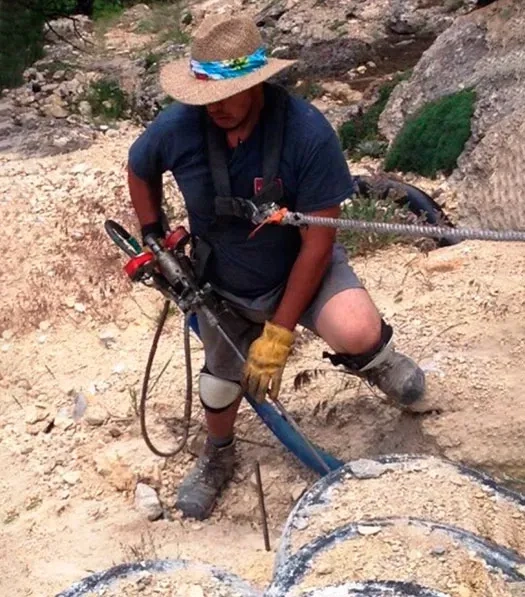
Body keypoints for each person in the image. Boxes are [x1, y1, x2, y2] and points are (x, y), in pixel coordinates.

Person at [127, 14, 426, 521]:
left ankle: (377, 360)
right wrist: (153, 231)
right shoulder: (180, 125)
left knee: (355, 328)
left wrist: (280, 332)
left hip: (301, 270)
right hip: (222, 279)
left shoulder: (306, 133)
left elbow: (318, 242)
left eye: (225, 95)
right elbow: (140, 167)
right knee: (220, 383)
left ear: (257, 85)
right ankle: (219, 455)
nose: (214, 109)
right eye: (205, 98)